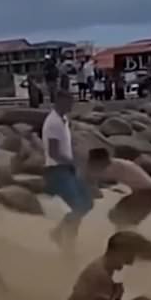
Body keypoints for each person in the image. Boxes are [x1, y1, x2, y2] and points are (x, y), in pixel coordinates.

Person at [42, 90, 92, 253]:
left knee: (87, 203)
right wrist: (73, 163)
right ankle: (63, 238)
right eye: (69, 102)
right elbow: (53, 152)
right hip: (57, 171)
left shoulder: (63, 120)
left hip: (66, 169)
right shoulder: (53, 123)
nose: (72, 106)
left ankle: (62, 234)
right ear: (60, 102)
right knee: (79, 205)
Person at [84, 148, 151, 230]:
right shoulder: (116, 164)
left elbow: (97, 177)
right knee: (120, 218)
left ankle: (126, 239)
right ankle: (125, 237)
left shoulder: (116, 166)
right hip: (144, 193)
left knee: (121, 217)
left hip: (149, 194)